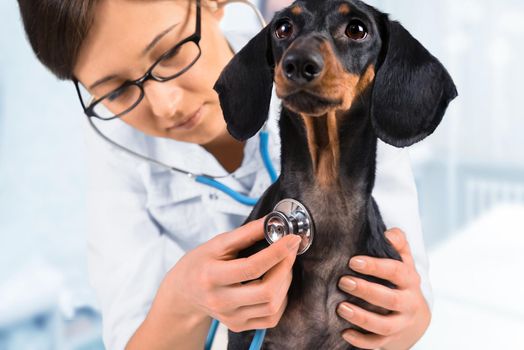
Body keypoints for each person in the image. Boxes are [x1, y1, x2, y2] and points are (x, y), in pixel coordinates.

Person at [17, 0, 432, 349]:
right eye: (117, 90)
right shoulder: (113, 141)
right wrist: (184, 298)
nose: (166, 105)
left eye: (170, 53)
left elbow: (411, 308)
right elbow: (134, 339)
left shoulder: (342, 79)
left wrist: (403, 320)